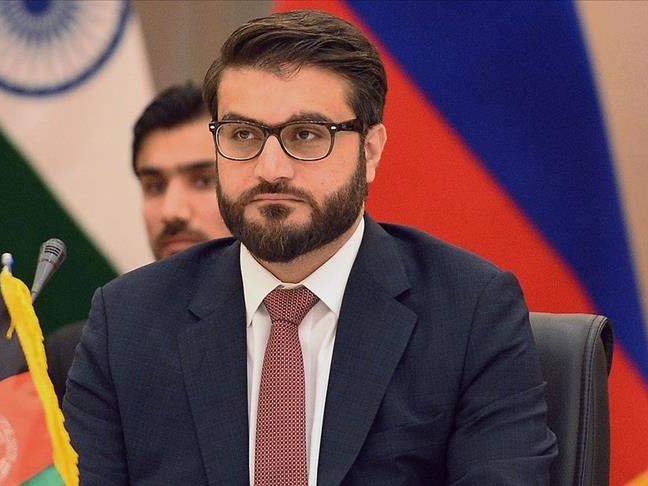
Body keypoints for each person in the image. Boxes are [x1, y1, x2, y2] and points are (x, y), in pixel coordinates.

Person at [63, 10, 556, 485]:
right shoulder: (127, 322)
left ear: (370, 151)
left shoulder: (469, 311)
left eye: (305, 135)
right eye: (242, 135)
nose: (270, 169)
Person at [46, 83, 232, 401]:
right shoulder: (79, 356)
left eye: (203, 181)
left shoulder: (290, 336)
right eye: (155, 186)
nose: (171, 211)